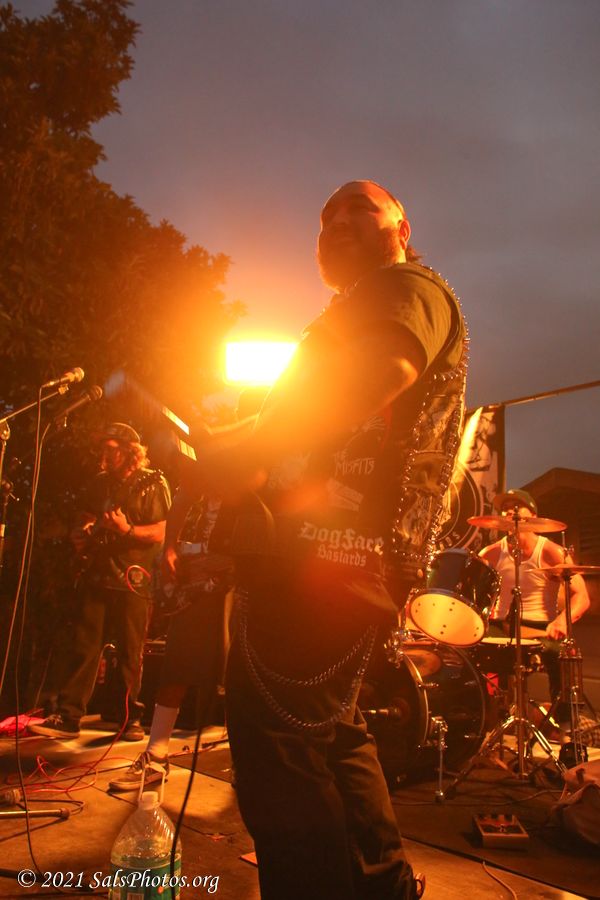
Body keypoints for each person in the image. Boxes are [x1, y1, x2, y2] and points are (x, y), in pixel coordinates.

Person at [183, 180, 467, 899]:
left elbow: (377, 376)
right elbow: (310, 425)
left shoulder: (405, 287)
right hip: (328, 554)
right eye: (325, 216)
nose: (337, 220)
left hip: (329, 556)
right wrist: (238, 451)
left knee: (277, 744)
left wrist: (250, 448)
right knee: (329, 732)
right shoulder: (356, 308)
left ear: (402, 225)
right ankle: (380, 884)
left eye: (360, 209)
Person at [108, 388, 268, 791]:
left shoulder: (275, 457)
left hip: (249, 576)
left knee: (245, 671)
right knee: (179, 661)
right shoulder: (216, 454)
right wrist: (170, 545)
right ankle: (156, 755)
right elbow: (185, 493)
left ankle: (250, 761)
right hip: (204, 572)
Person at [30, 423, 171, 742]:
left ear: (130, 451)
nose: (105, 453)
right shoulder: (99, 483)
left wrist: (127, 530)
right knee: (83, 645)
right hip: (97, 572)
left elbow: (162, 530)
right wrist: (82, 531)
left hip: (134, 577)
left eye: (112, 448)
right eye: (103, 448)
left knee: (130, 651)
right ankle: (68, 717)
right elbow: (85, 517)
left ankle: (129, 720)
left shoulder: (152, 482)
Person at [479, 488, 590, 718]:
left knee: (562, 655)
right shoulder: (490, 553)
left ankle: (564, 723)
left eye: (517, 507)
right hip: (502, 624)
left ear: (533, 515)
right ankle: (487, 717)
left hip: (540, 627)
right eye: (505, 508)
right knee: (473, 649)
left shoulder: (551, 551)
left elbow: (582, 596)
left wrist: (562, 621)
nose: (509, 512)